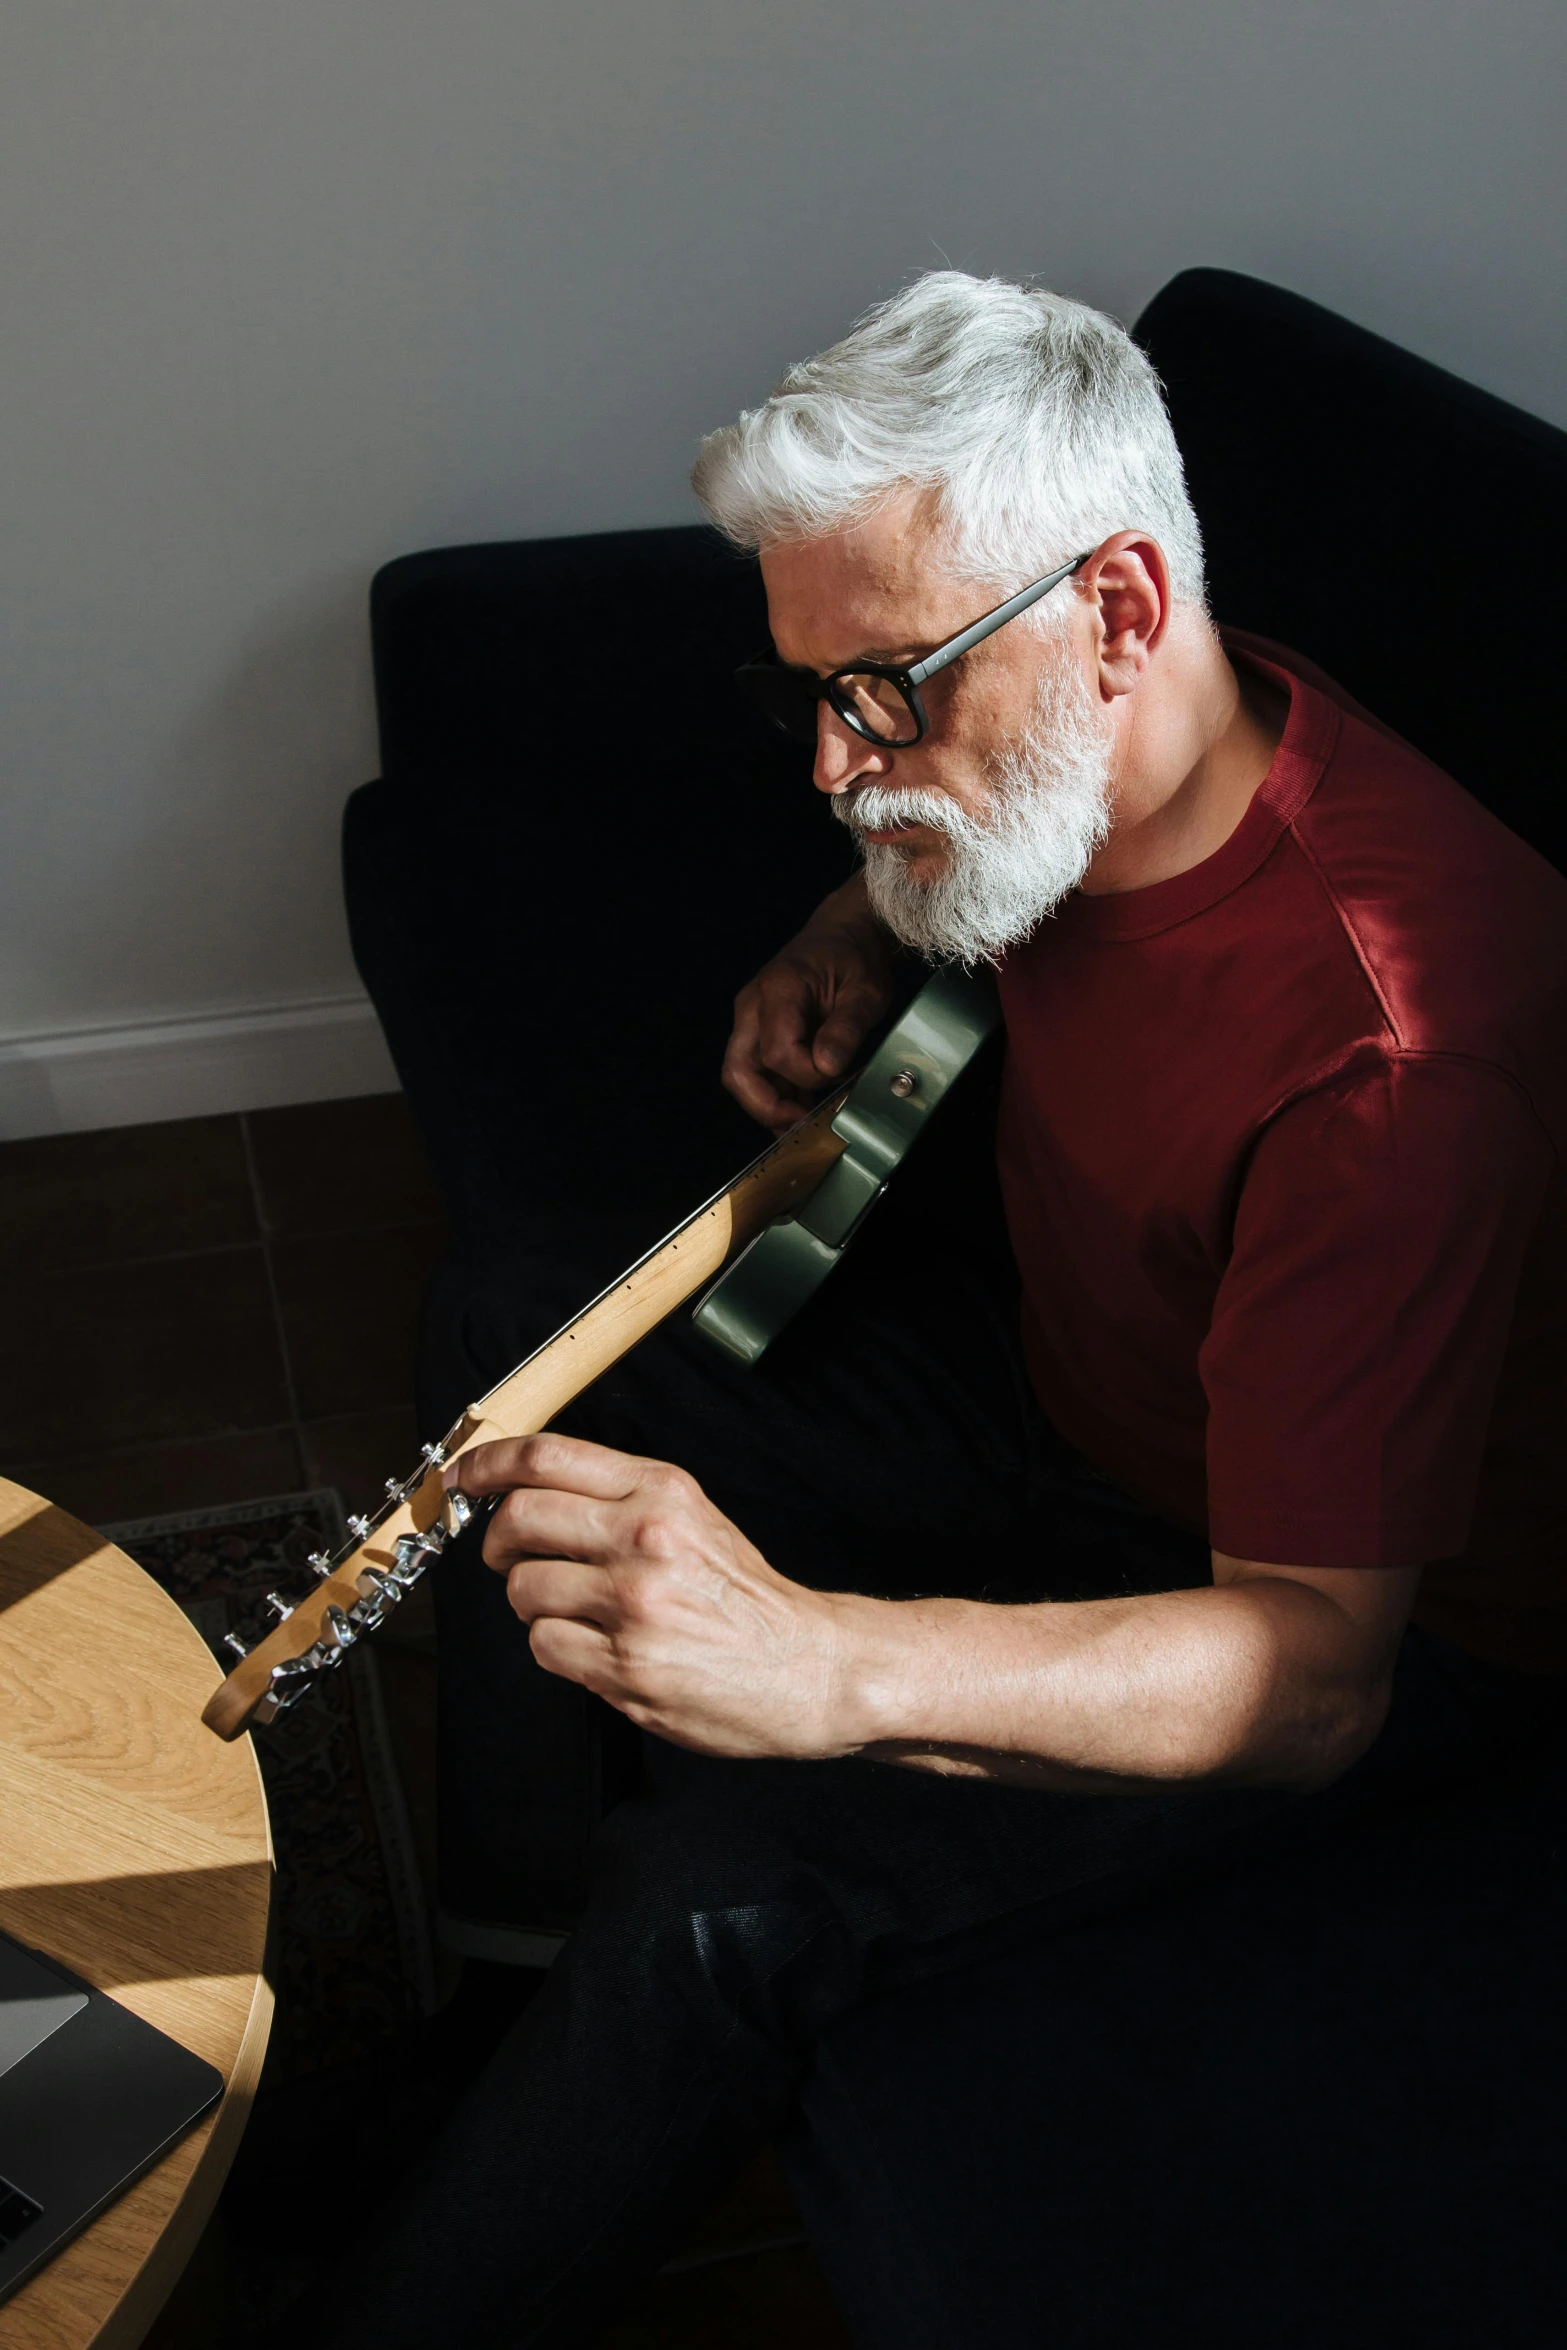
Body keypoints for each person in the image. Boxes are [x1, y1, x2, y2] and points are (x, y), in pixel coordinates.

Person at [322, 273, 1566, 2347]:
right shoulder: (1151, 722)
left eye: (887, 690)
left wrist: (819, 1660)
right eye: (809, 690)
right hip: (1082, 1402)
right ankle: (499, 1981)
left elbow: (1316, 1673)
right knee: (513, 1332)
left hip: (1351, 1621)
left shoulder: (1396, 1053)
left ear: (1119, 609)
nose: (832, 760)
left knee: (719, 1893)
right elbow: (998, 861)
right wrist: (851, 919)